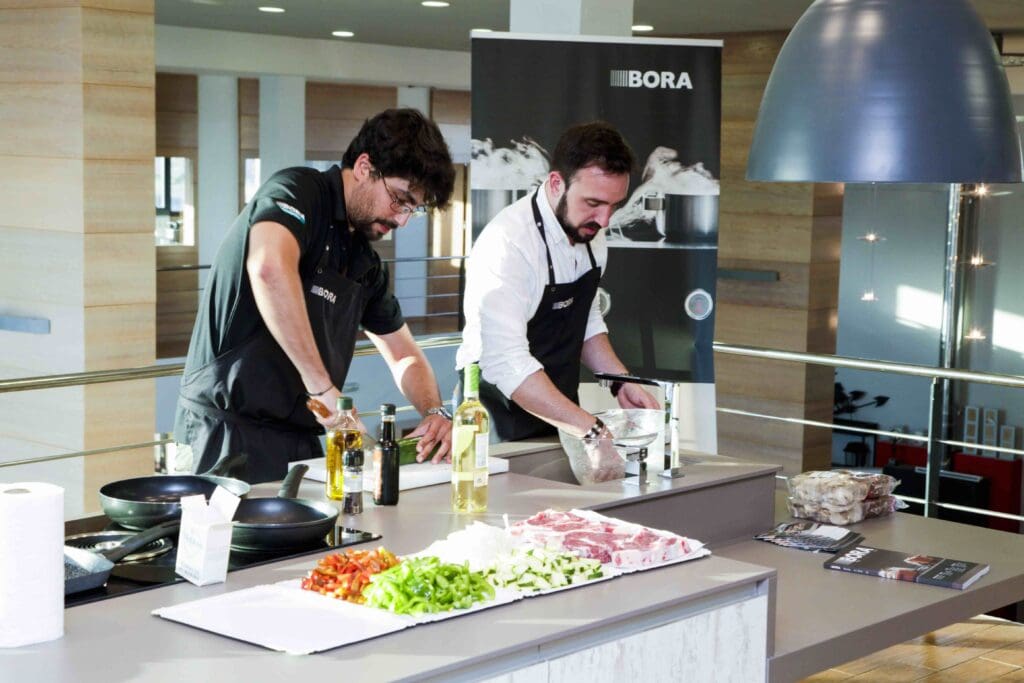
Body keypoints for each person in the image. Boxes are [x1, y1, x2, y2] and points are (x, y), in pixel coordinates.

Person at [174, 108, 456, 483]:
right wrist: (323, 391)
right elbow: (268, 267)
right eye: (399, 199)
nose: (401, 220)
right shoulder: (298, 191)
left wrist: (435, 412)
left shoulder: (365, 263)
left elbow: (404, 354)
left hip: (300, 441)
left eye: (412, 210)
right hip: (223, 434)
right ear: (364, 167)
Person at [457, 121, 660, 482]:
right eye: (593, 203)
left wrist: (621, 381)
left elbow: (586, 319)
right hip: (497, 414)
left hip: (559, 407)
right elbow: (506, 363)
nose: (604, 220)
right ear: (555, 183)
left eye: (614, 205)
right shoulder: (508, 244)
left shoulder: (590, 233)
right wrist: (591, 430)